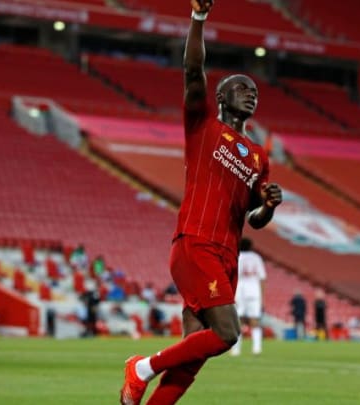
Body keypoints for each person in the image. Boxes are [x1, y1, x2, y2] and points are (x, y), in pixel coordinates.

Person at [119, 1, 282, 403]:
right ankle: (141, 367)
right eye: (242, 88)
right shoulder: (203, 125)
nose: (251, 94)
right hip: (195, 243)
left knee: (193, 356)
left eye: (255, 91)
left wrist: (270, 207)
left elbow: (252, 219)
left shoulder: (260, 158)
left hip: (228, 257)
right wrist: (198, 18)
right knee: (228, 333)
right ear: (222, 97)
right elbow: (193, 71)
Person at [230, 237, 266, 356]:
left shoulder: (237, 256)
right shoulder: (257, 258)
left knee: (238, 321)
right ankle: (257, 348)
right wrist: (262, 296)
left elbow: (232, 276)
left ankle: (236, 349)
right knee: (254, 320)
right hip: (254, 292)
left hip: (240, 291)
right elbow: (262, 278)